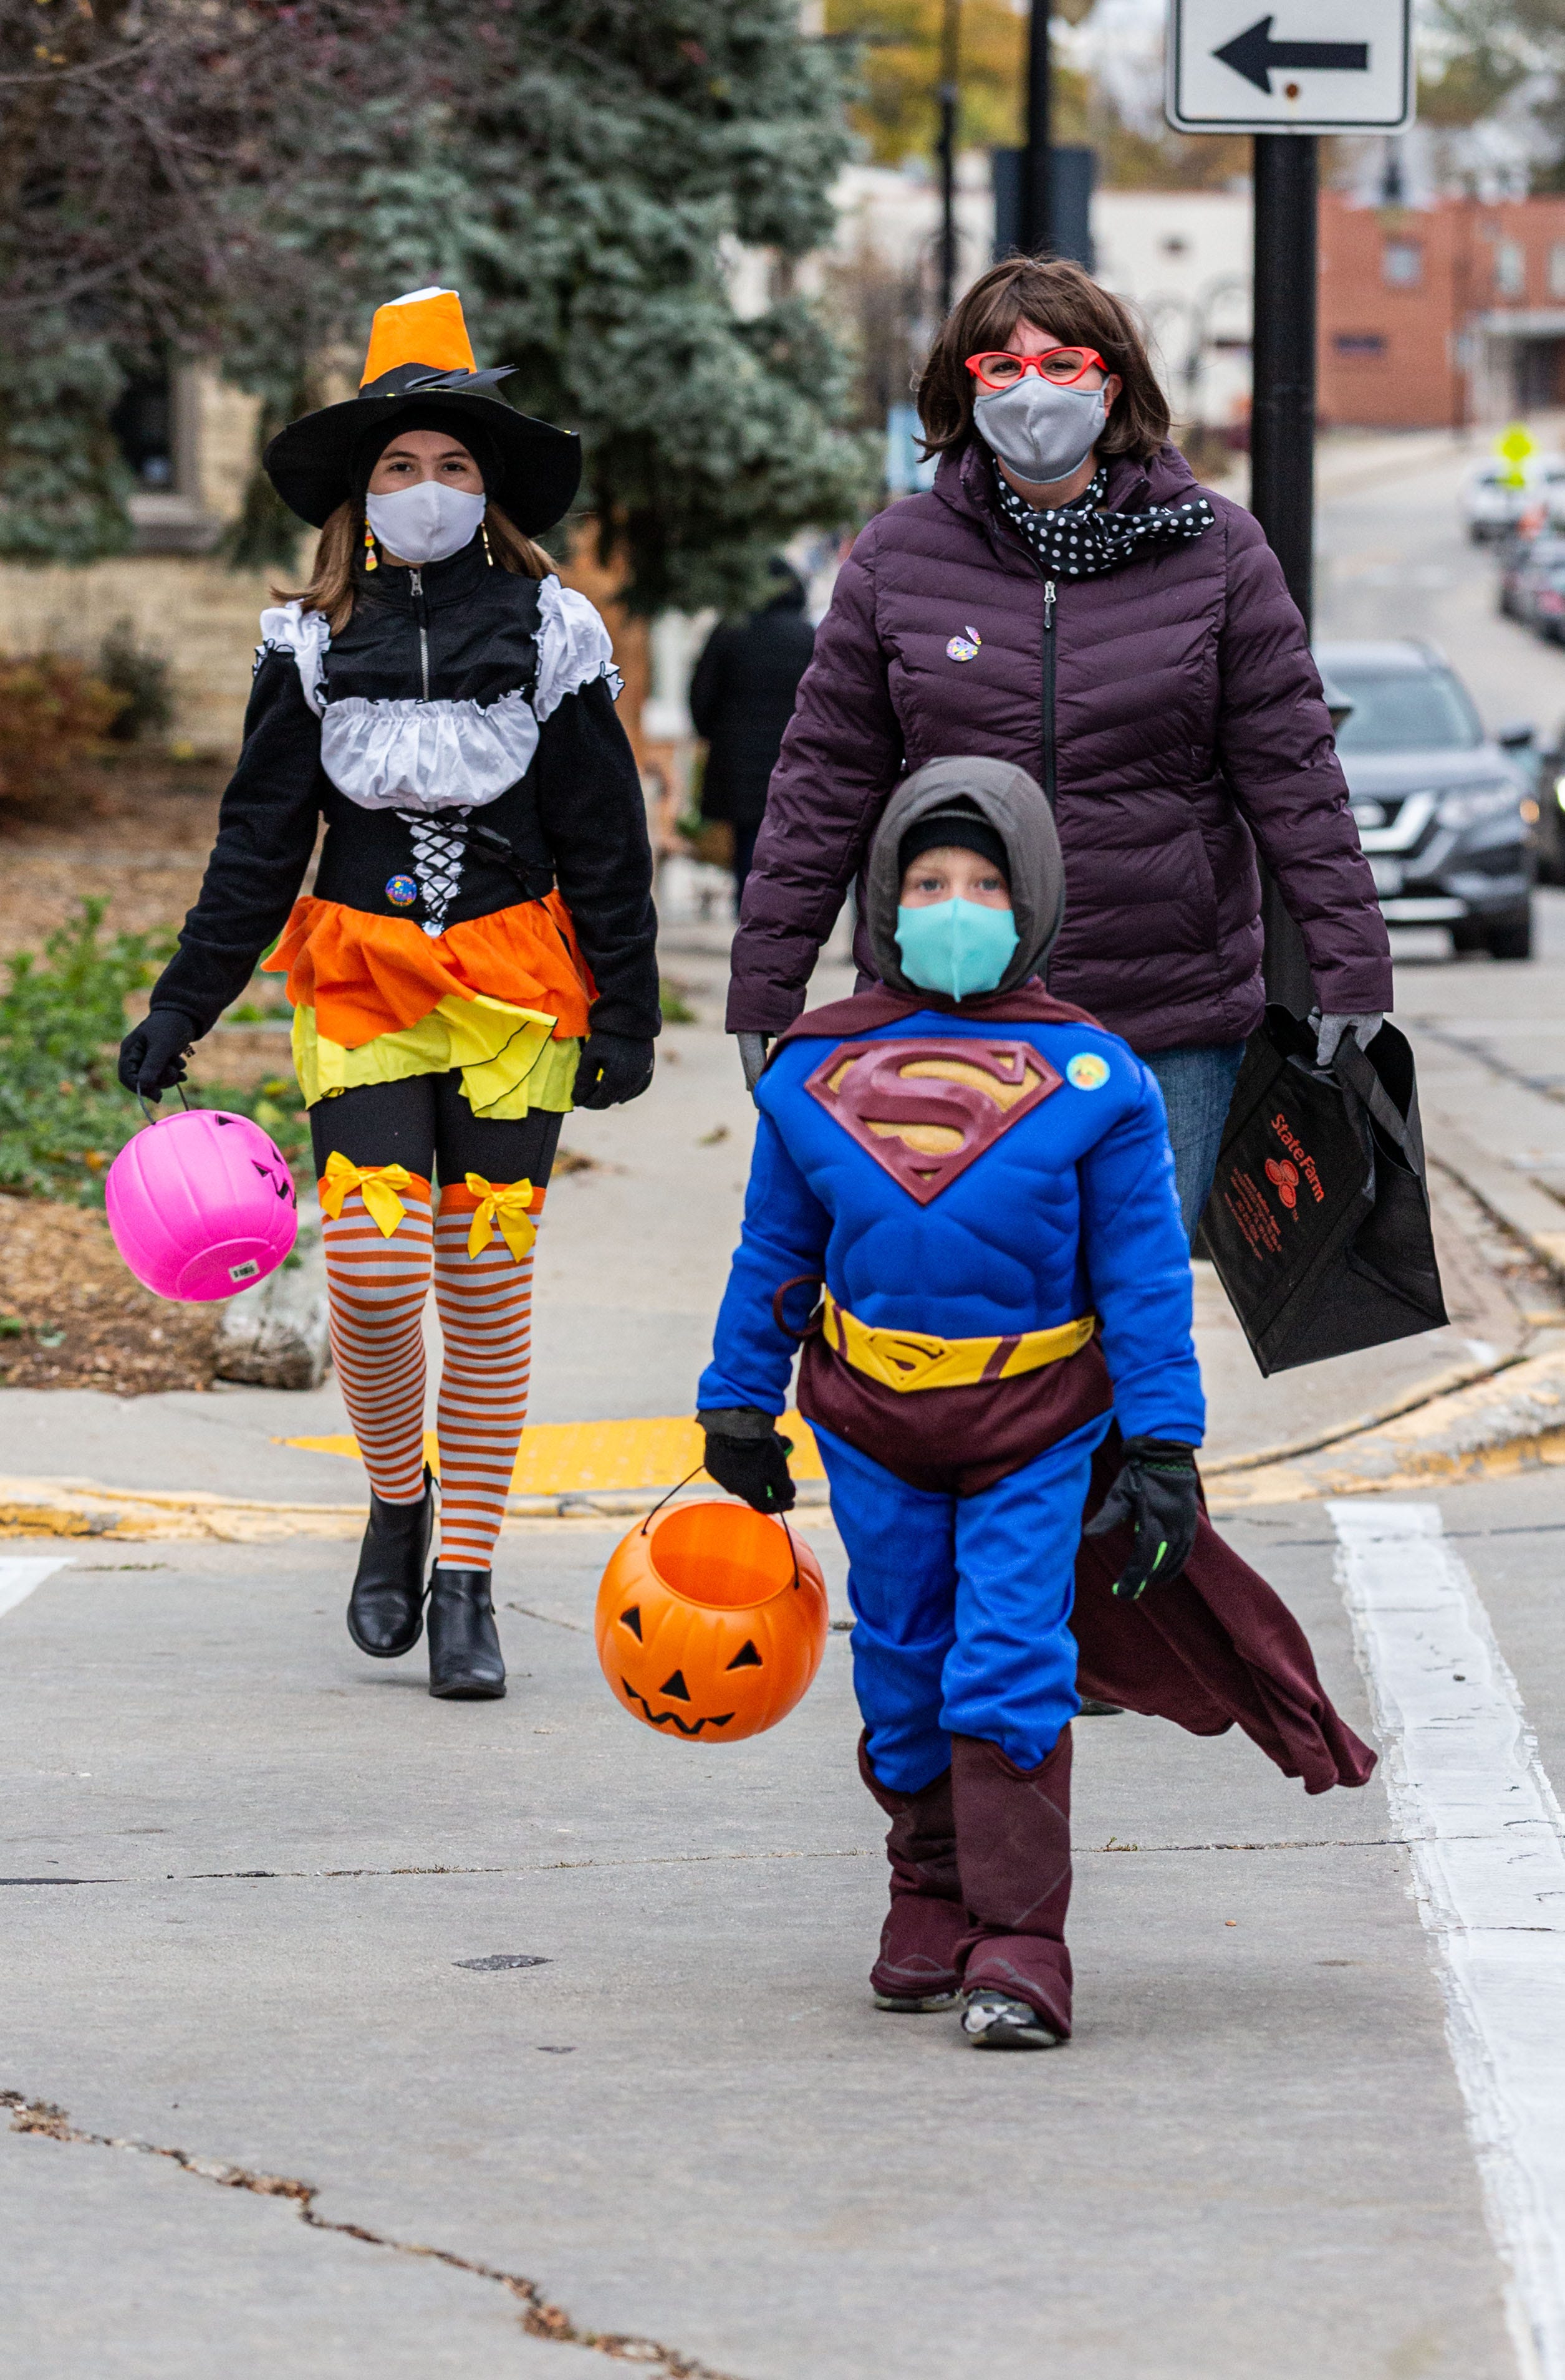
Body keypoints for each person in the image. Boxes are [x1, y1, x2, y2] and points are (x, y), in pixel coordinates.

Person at [697, 757, 1374, 2050]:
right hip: (871, 1423)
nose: (956, 905)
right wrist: (737, 1403)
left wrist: (1167, 1442)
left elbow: (1138, 1280)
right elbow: (774, 1256)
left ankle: (1019, 1939)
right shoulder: (809, 1076)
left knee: (1009, 1659)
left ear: (1037, 901)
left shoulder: (1096, 1080)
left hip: (1034, 1427)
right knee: (899, 1660)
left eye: (986, 883)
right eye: (929, 881)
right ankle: (927, 1892)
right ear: (886, 902)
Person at [118, 286, 659, 1701]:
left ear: (490, 493)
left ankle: (467, 1575)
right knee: (366, 1274)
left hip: (520, 989)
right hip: (360, 978)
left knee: (482, 1284)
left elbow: (607, 840)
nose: (427, 488)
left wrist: (632, 1011)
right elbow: (256, 842)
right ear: (362, 493)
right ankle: (395, 1497)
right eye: (401, 465)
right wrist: (181, 1005)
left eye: (455, 464)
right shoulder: (304, 641)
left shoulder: (553, 631)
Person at [726, 255, 1393, 1240]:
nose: (1031, 388)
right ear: (965, 389)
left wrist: (1351, 961)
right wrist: (766, 981)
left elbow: (1293, 777)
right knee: (977, 1305)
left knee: (1130, 1312)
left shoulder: (1214, 550)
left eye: (1061, 362)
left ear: (1110, 382)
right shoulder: (897, 559)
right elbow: (822, 784)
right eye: (1000, 366)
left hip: (1166, 1019)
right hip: (948, 1004)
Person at [688, 558, 816, 898]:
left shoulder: (729, 629)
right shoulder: (808, 637)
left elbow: (701, 693)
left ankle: (746, 906)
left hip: (737, 758)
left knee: (747, 834)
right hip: (792, 757)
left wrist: (713, 735)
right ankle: (777, 907)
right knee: (785, 834)